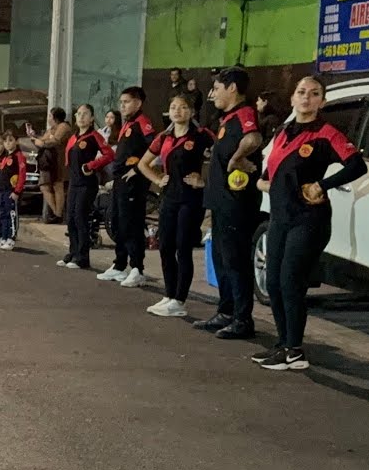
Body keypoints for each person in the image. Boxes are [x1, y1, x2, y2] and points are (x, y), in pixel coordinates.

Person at [251, 76, 367, 371]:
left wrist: (323, 185)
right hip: (280, 217)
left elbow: (357, 165)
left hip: (309, 219)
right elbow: (268, 173)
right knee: (273, 283)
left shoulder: (326, 133)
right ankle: (282, 344)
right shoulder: (282, 131)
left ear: (322, 102)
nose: (306, 98)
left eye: (314, 94)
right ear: (292, 99)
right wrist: (264, 183)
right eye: (301, 92)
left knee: (290, 281)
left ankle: (295, 350)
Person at [194, 67, 264, 341]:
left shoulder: (245, 114)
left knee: (236, 261)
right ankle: (225, 311)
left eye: (217, 88)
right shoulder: (228, 118)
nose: (213, 95)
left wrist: (237, 158)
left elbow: (254, 138)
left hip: (238, 204)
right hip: (221, 202)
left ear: (232, 87)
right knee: (221, 259)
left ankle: (242, 319)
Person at [138, 94, 212, 318]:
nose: (177, 111)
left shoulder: (201, 135)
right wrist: (158, 178)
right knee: (165, 246)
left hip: (191, 199)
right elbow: (143, 163)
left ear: (191, 112)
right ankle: (169, 295)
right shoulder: (164, 137)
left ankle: (180, 300)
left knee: (183, 247)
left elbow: (222, 160)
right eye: (173, 107)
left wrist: (204, 181)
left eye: (182, 107)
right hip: (169, 197)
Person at [96, 87, 158, 288]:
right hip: (120, 181)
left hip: (134, 183)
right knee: (118, 222)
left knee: (132, 224)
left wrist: (138, 171)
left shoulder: (143, 124)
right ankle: (119, 264)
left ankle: (137, 268)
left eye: (127, 101)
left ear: (138, 103)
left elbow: (155, 151)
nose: (122, 105)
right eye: (121, 102)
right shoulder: (128, 123)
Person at [58, 104, 115, 270]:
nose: (81, 117)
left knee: (80, 217)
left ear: (91, 119)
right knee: (70, 218)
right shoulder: (73, 137)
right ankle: (73, 252)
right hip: (74, 182)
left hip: (87, 183)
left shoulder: (94, 136)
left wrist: (92, 165)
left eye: (86, 114)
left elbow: (109, 154)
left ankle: (83, 257)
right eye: (79, 114)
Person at [32, 107, 71, 224]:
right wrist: (33, 137)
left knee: (57, 186)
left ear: (55, 117)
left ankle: (58, 214)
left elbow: (55, 141)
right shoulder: (51, 129)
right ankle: (56, 212)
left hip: (60, 161)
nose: (48, 118)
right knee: (44, 186)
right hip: (49, 163)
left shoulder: (64, 127)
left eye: (50, 116)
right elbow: (42, 140)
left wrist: (43, 143)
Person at [0, 130, 27, 251]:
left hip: (11, 192)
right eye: (5, 141)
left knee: (11, 215)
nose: (7, 143)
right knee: (3, 214)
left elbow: (22, 174)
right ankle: (4, 237)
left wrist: (17, 191)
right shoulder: (6, 156)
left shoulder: (19, 156)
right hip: (3, 190)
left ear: (16, 141)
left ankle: (11, 238)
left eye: (10, 141)